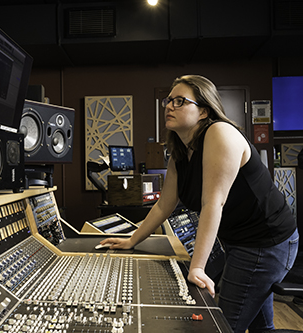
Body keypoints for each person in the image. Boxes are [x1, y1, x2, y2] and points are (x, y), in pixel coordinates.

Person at [100, 75, 299, 333]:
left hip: (267, 243)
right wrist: (132, 240)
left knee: (220, 327)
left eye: (180, 101)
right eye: (169, 100)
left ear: (204, 110)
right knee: (262, 329)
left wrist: (197, 267)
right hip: (241, 242)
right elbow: (164, 205)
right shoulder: (180, 151)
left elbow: (213, 204)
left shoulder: (220, 133)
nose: (170, 106)